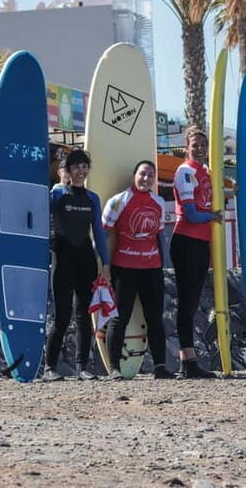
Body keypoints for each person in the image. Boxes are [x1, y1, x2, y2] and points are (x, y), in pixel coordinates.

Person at [44, 148, 110, 381]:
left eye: (84, 166)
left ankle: (82, 367)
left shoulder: (92, 198)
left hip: (86, 260)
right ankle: (49, 368)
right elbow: (45, 222)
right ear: (68, 171)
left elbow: (99, 234)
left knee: (84, 315)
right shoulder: (57, 196)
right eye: (76, 167)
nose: (81, 171)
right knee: (61, 316)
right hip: (63, 258)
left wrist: (106, 263)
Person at [102, 160, 171, 380]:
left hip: (151, 269)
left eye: (151, 175)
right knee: (119, 318)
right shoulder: (118, 201)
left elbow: (160, 237)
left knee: (155, 319)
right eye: (142, 174)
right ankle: (114, 368)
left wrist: (164, 266)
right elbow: (102, 235)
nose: (146, 179)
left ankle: (160, 366)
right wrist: (103, 265)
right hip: (124, 268)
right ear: (134, 175)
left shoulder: (158, 202)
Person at [169, 127, 223, 379]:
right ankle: (187, 360)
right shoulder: (185, 171)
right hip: (186, 241)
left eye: (203, 144)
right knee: (186, 302)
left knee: (192, 302)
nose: (200, 148)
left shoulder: (206, 172)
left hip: (201, 243)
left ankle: (189, 360)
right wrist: (213, 216)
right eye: (195, 144)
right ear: (186, 147)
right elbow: (191, 213)